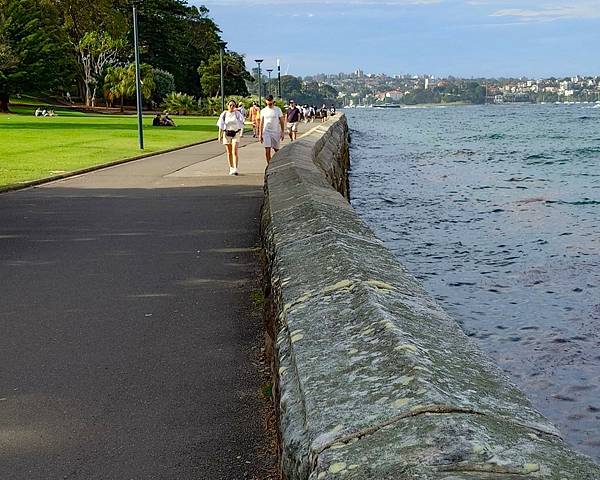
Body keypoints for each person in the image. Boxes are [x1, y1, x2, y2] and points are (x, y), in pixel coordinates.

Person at [217, 100, 245, 175]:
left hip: (235, 133)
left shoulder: (237, 114)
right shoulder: (224, 114)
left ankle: (235, 168)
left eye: (233, 105)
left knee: (234, 151)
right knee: (229, 152)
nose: (232, 107)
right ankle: (231, 167)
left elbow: (243, 121)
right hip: (227, 134)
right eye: (230, 105)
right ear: (227, 106)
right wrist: (219, 135)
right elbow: (221, 125)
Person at [259, 95, 285, 164]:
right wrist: (260, 134)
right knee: (267, 150)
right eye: (268, 101)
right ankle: (269, 165)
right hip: (266, 132)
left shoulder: (277, 110)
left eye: (270, 100)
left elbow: (282, 121)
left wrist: (282, 132)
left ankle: (280, 162)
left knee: (276, 150)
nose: (269, 102)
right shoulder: (263, 111)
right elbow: (261, 123)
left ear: (273, 100)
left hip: (275, 132)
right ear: (266, 101)